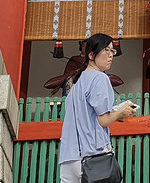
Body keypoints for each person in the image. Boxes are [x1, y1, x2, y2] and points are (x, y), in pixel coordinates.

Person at [59, 33, 138, 183]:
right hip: (93, 155)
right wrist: (121, 111)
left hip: (69, 157)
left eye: (112, 51)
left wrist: (116, 113)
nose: (110, 55)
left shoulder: (77, 83)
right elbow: (103, 120)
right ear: (91, 55)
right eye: (106, 50)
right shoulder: (100, 78)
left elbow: (88, 116)